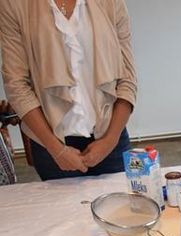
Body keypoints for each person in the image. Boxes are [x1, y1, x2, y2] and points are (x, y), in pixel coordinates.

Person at [0, 0, 137, 181]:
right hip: (51, 146)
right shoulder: (14, 5)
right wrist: (56, 149)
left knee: (123, 206)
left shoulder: (110, 2)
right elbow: (16, 84)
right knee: (63, 209)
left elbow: (127, 77)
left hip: (111, 138)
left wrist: (110, 140)